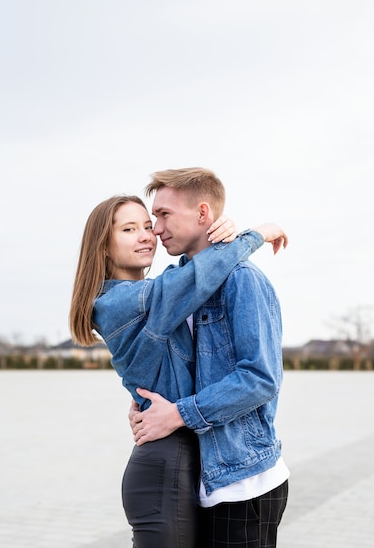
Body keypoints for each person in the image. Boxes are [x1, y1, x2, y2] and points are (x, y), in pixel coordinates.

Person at [69, 193, 287, 548]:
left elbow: (196, 273)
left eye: (147, 225)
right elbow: (196, 277)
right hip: (163, 469)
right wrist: (258, 233)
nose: (147, 234)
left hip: (187, 464)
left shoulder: (161, 289)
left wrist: (223, 231)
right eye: (129, 229)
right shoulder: (121, 302)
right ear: (103, 247)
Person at [131, 167, 289, 548]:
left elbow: (261, 378)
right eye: (154, 217)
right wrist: (145, 406)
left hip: (243, 483)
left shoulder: (243, 280)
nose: (155, 228)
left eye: (164, 214)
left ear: (203, 214)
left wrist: (178, 414)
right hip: (195, 480)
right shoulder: (175, 282)